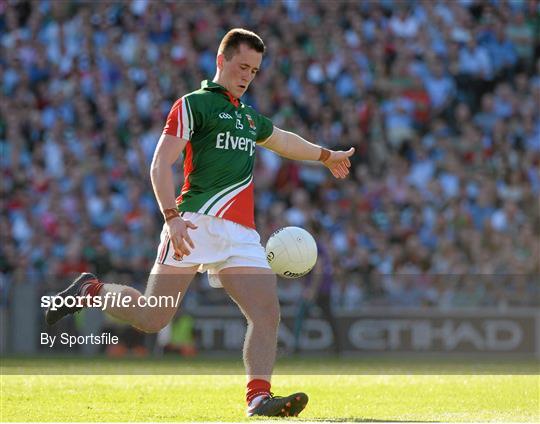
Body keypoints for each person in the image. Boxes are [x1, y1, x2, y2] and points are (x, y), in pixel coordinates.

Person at [46, 28, 354, 418]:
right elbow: (160, 163)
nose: (247, 76)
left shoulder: (248, 116)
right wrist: (171, 218)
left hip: (241, 233)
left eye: (255, 71)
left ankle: (259, 399)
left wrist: (325, 155)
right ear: (221, 61)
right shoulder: (194, 105)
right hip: (193, 223)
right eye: (242, 66)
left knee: (267, 313)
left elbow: (284, 140)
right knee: (152, 317)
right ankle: (91, 289)